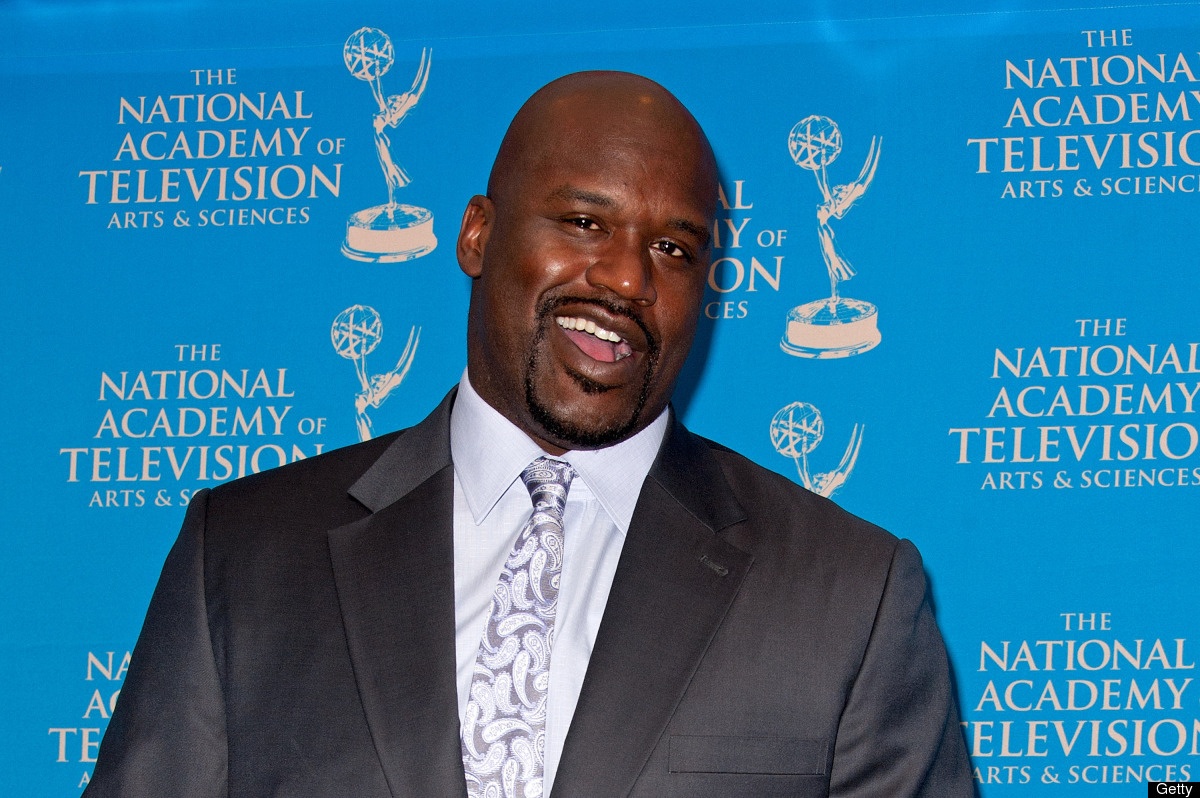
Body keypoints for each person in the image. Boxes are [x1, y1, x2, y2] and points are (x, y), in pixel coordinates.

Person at [85, 71, 973, 797]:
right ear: (477, 234)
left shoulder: (847, 594)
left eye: (674, 249)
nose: (626, 279)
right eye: (585, 223)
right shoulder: (244, 553)